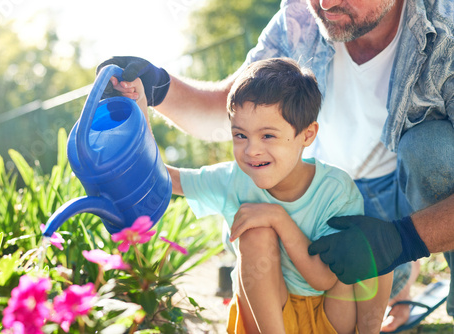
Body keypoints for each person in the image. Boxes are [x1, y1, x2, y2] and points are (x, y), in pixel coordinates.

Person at [97, 0, 454, 330]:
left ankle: (406, 269)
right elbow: (235, 109)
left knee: (432, 150)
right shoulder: (302, 18)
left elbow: (327, 278)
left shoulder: (446, 28)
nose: (326, 4)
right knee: (260, 235)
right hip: (306, 194)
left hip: (400, 204)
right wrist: (157, 87)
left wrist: (401, 239)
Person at [132, 57, 394, 333]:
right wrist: (139, 101)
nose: (251, 150)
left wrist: (278, 218)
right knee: (256, 234)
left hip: (331, 317)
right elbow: (162, 176)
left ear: (307, 135)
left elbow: (324, 279)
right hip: (268, 319)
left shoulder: (335, 190)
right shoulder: (233, 178)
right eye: (240, 135)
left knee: (375, 245)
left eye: (267, 136)